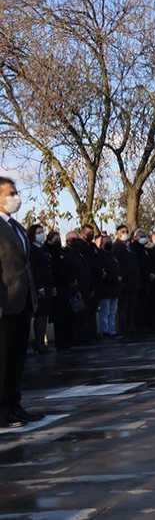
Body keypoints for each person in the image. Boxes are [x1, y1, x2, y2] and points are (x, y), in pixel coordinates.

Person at [0, 177, 44, 428]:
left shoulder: (15, 226)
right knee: (3, 359)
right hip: (5, 303)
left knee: (17, 357)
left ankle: (14, 405)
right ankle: (2, 410)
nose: (16, 197)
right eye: (11, 193)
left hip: (22, 301)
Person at [27, 224, 55, 353]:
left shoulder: (43, 249)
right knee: (40, 316)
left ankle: (41, 342)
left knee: (44, 316)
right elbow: (33, 270)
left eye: (42, 231)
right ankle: (38, 343)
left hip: (48, 286)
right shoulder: (32, 249)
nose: (41, 234)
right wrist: (39, 287)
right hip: (39, 288)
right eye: (39, 232)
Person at [113, 225, 140, 334]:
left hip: (132, 281)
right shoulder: (116, 246)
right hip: (124, 281)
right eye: (123, 231)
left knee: (131, 306)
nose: (125, 233)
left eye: (126, 231)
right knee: (123, 307)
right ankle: (123, 328)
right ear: (118, 233)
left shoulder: (130, 246)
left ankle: (131, 326)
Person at [95, 235, 121, 338]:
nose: (109, 242)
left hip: (115, 287)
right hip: (106, 288)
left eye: (110, 240)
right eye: (106, 241)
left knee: (113, 311)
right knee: (105, 311)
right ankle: (105, 331)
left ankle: (112, 330)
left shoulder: (113, 255)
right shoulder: (100, 255)